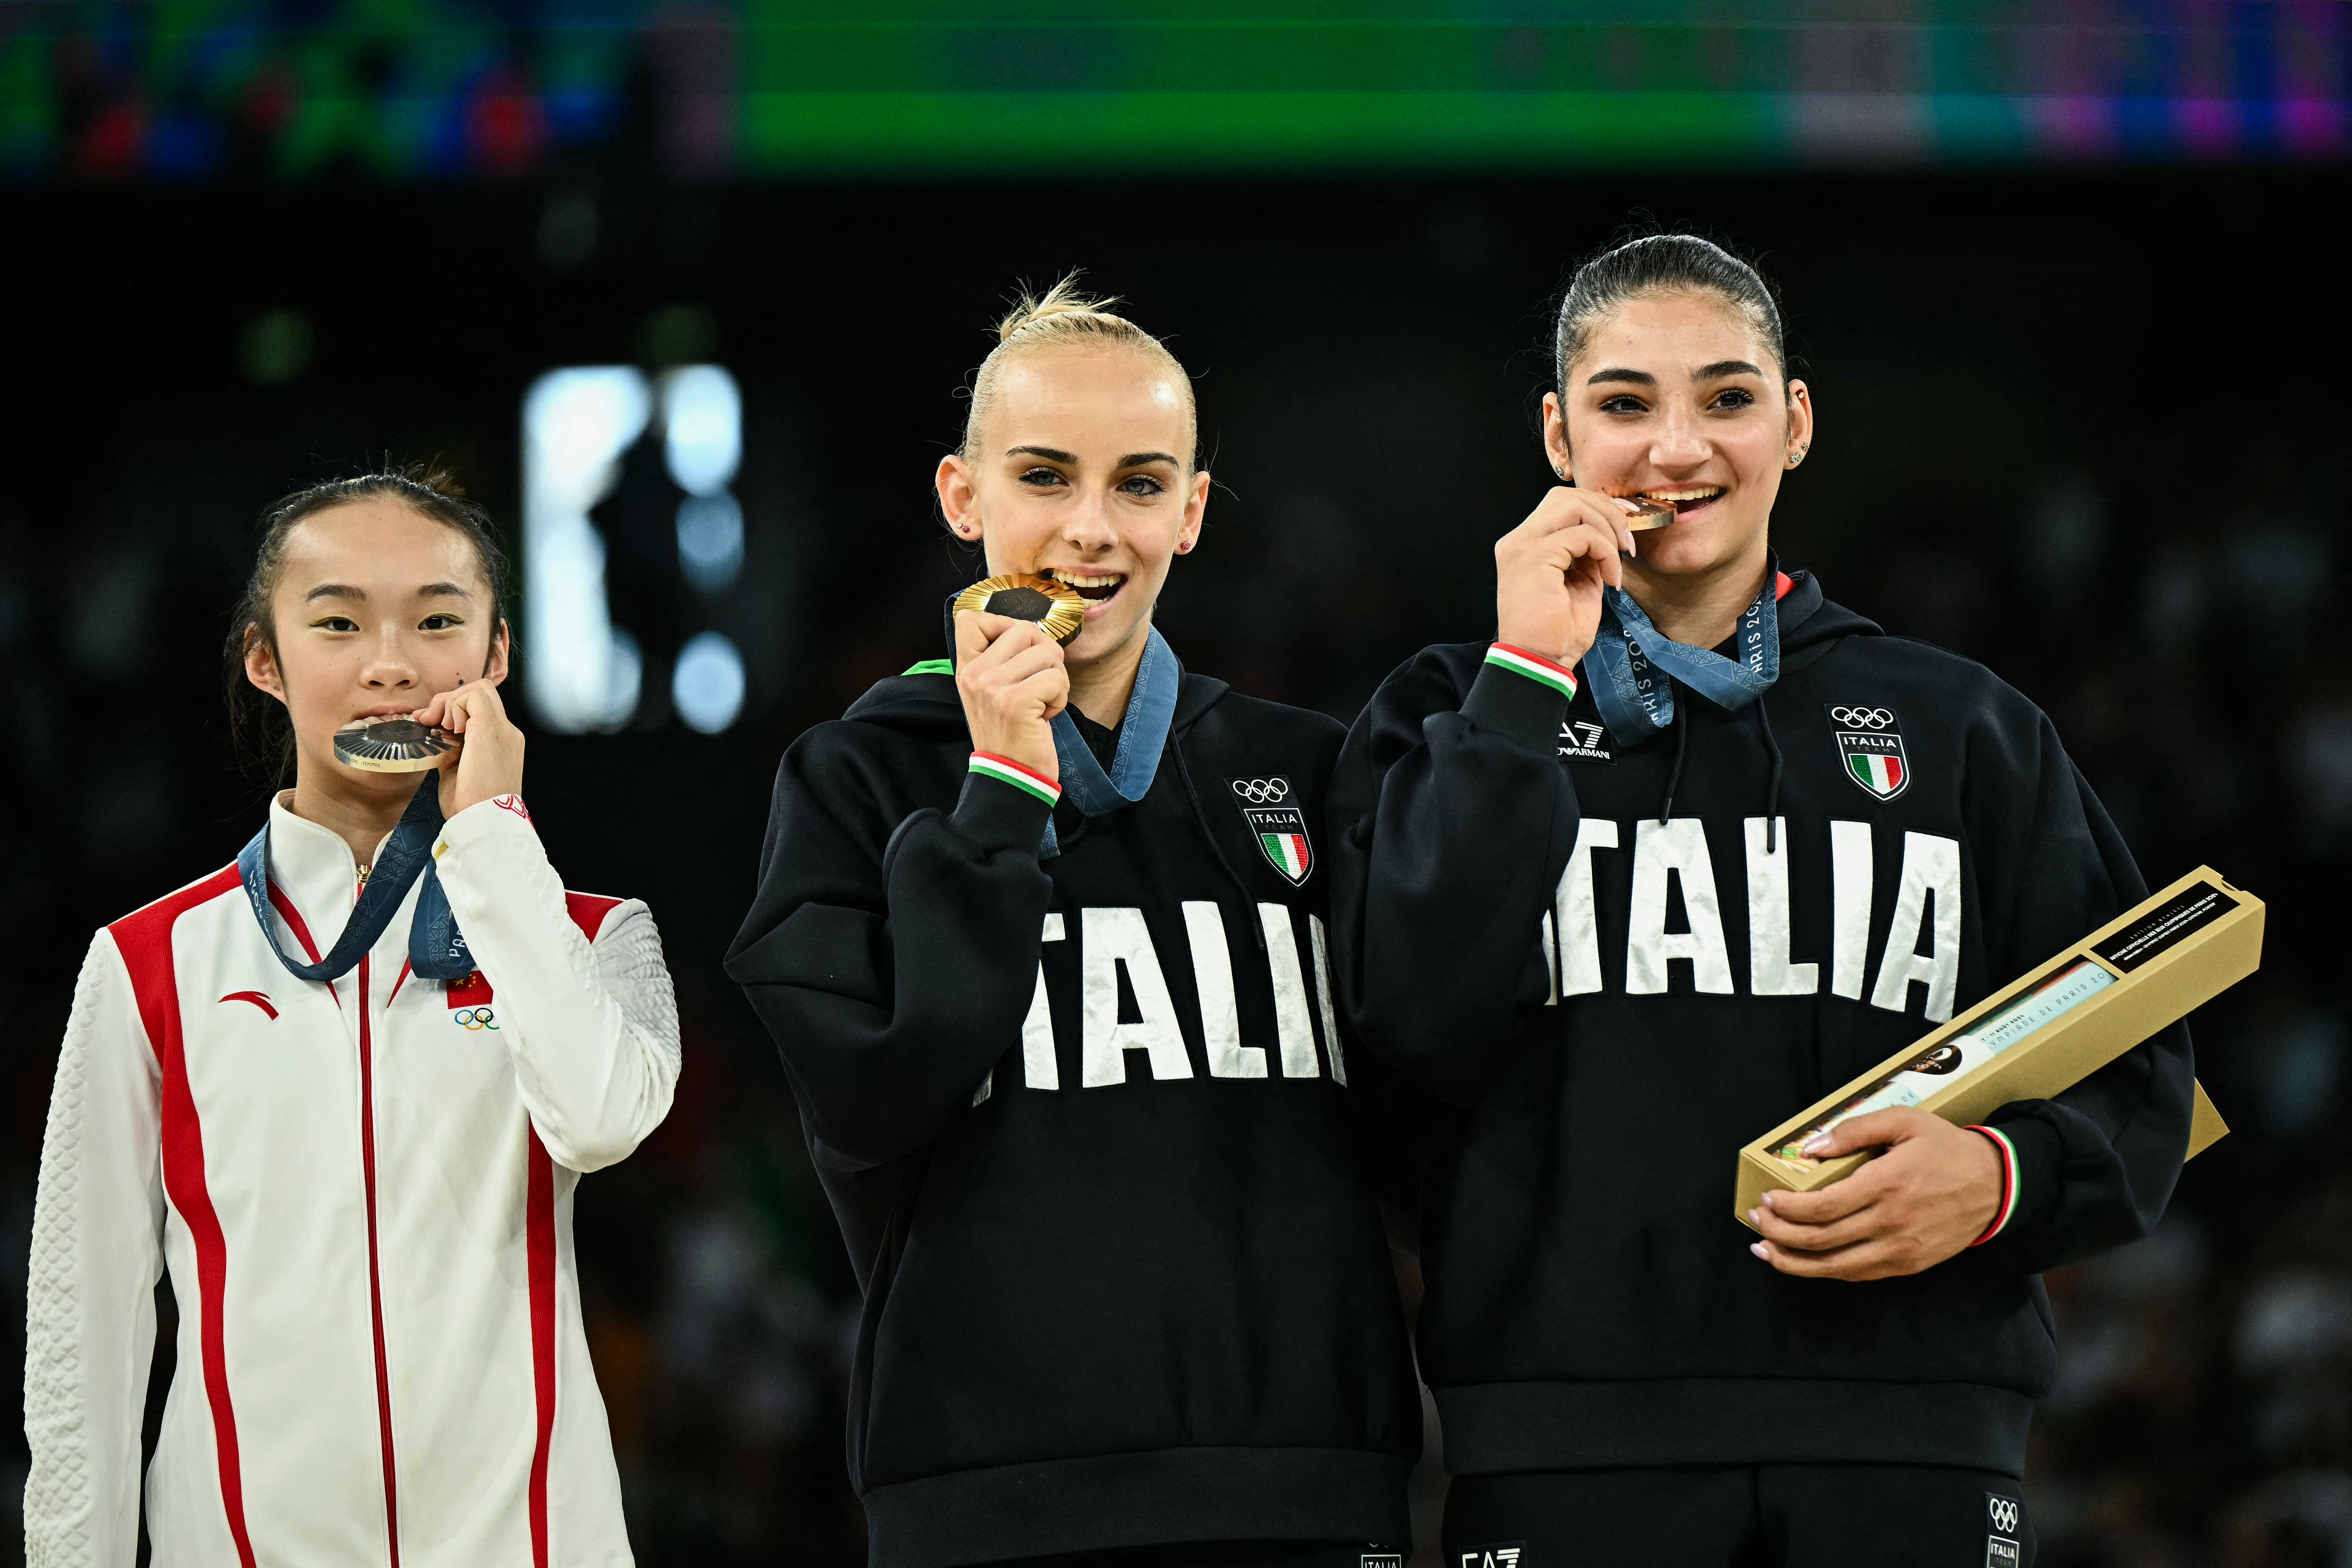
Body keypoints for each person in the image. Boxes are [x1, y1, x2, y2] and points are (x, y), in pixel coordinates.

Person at [1328, 234, 2193, 1566]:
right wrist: (1520, 680)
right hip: (1566, 1447)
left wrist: (2006, 1173)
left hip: (1913, 1437)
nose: (1679, 447)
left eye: (1727, 397)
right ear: (1559, 434)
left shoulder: (1965, 728)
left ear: (1792, 424)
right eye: (1626, 403)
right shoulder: (1445, 713)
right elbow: (1404, 1032)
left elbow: (2142, 1053)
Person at [727, 280, 1419, 1567]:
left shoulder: (1310, 769)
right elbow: (871, 1107)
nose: (1090, 531)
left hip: (1305, 1486)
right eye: (1044, 477)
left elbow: (1425, 1095)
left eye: (1140, 485)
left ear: (1194, 512)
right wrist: (997, 795)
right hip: (988, 1497)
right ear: (962, 495)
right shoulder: (856, 781)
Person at [23, 470, 680, 1566]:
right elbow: (80, 1335)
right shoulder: (149, 967)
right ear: (264, 660)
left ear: (497, 656)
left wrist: (496, 844)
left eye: (437, 620)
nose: (391, 664)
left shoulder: (594, 936)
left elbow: (603, 1122)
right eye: (337, 623)